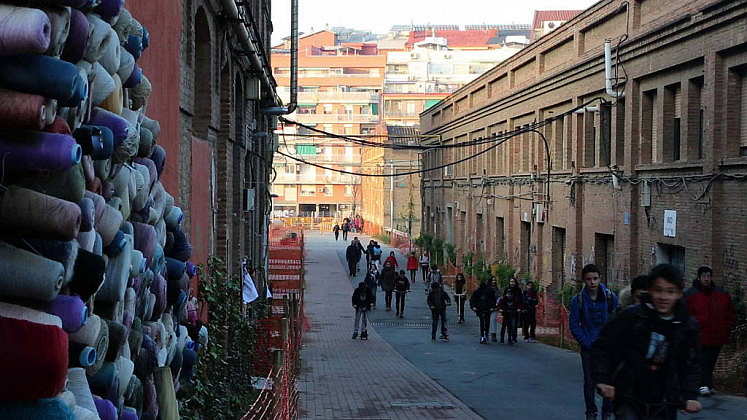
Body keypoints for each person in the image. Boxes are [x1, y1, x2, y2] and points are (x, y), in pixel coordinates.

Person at [592, 264, 702, 419]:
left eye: (670, 291)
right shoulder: (632, 317)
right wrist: (603, 379)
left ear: (679, 294)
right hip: (629, 395)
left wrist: (690, 395)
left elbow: (691, 362)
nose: (663, 297)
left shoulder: (686, 326)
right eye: (658, 290)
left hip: (664, 400)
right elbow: (602, 346)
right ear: (650, 291)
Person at [569, 264, 619, 420]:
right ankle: (591, 411)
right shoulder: (578, 301)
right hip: (589, 347)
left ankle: (607, 411)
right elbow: (574, 325)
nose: (592, 282)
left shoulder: (610, 296)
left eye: (595, 278)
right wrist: (586, 342)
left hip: (607, 347)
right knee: (590, 382)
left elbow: (617, 317)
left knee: (609, 380)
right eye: (589, 279)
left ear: (600, 278)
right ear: (584, 281)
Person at [684, 266, 736, 396]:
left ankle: (708, 384)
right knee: (702, 361)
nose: (706, 279)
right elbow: (685, 314)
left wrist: (727, 327)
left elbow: (729, 312)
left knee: (711, 361)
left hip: (717, 335)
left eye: (708, 276)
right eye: (704, 276)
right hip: (699, 336)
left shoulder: (721, 293)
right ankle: (703, 385)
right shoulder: (691, 294)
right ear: (699, 277)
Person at [498, 278, 523, 345]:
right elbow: (503, 301)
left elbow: (520, 300)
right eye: (511, 281)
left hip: (514, 310)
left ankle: (513, 337)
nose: (512, 283)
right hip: (506, 311)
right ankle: (503, 338)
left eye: (513, 281)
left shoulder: (518, 290)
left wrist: (519, 308)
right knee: (506, 325)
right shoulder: (507, 290)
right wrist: (501, 309)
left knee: (514, 324)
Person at [488, 277, 501, 342]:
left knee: (493, 320)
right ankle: (485, 333)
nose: (494, 281)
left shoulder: (497, 289)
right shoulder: (487, 289)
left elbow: (499, 297)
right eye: (492, 280)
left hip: (495, 307)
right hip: (487, 307)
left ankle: (493, 334)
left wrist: (497, 304)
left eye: (495, 280)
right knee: (486, 321)